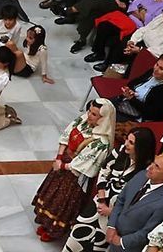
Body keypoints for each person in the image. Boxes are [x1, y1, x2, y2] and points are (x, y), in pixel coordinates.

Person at [57, 126, 157, 252]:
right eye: (127, 140)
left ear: (141, 147)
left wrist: (113, 210)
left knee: (103, 237)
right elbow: (104, 172)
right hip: (103, 197)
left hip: (119, 209)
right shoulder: (119, 152)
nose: (126, 144)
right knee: (81, 223)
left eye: (131, 142)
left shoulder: (147, 170)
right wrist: (102, 199)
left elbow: (139, 197)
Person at [32, 99, 116, 241]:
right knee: (51, 195)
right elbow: (66, 134)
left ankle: (54, 229)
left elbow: (85, 163)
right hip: (62, 163)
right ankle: (44, 222)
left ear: (103, 118)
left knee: (63, 201)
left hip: (74, 177)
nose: (89, 115)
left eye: (94, 114)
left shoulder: (102, 142)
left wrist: (63, 166)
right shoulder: (83, 121)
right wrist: (59, 156)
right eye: (90, 111)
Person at [113, 52, 163, 122]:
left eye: (161, 68)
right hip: (126, 103)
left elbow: (152, 114)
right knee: (103, 105)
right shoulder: (151, 73)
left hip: (138, 116)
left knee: (107, 116)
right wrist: (129, 90)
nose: (155, 69)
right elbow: (133, 83)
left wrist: (132, 99)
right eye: (156, 64)